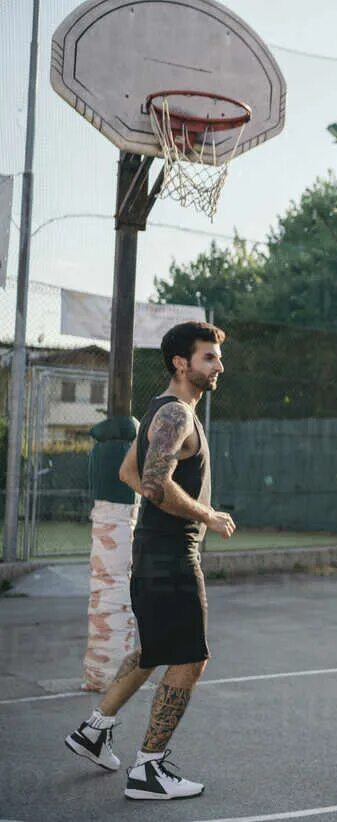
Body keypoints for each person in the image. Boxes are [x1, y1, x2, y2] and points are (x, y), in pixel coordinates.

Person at [64, 321, 235, 800]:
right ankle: (149, 770)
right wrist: (208, 515)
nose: (219, 365)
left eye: (218, 357)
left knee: (157, 650)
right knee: (190, 660)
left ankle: (93, 731)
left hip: (154, 554)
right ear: (181, 362)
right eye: (209, 357)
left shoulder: (163, 412)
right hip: (172, 554)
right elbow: (155, 484)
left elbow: (127, 471)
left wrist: (171, 501)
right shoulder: (176, 414)